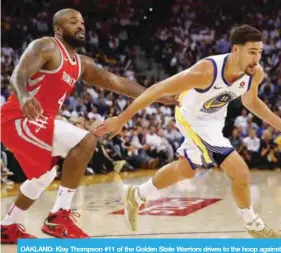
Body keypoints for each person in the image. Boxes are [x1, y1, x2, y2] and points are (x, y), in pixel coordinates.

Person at [95, 25, 281, 238]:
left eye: (260, 52)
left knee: (186, 169)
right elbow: (157, 89)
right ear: (236, 50)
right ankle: (253, 224)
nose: (257, 58)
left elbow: (251, 101)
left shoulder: (255, 73)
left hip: (215, 119)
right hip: (192, 117)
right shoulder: (206, 71)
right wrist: (121, 119)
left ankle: (138, 195)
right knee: (240, 171)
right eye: (252, 52)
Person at [0, 8, 174, 243]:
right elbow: (18, 75)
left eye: (82, 22)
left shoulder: (81, 63)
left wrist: (157, 94)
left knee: (45, 175)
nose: (80, 26)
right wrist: (24, 97)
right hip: (18, 117)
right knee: (86, 140)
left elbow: (116, 82)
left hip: (41, 121)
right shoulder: (46, 46)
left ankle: (7, 226)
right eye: (73, 22)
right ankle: (58, 217)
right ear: (58, 29)